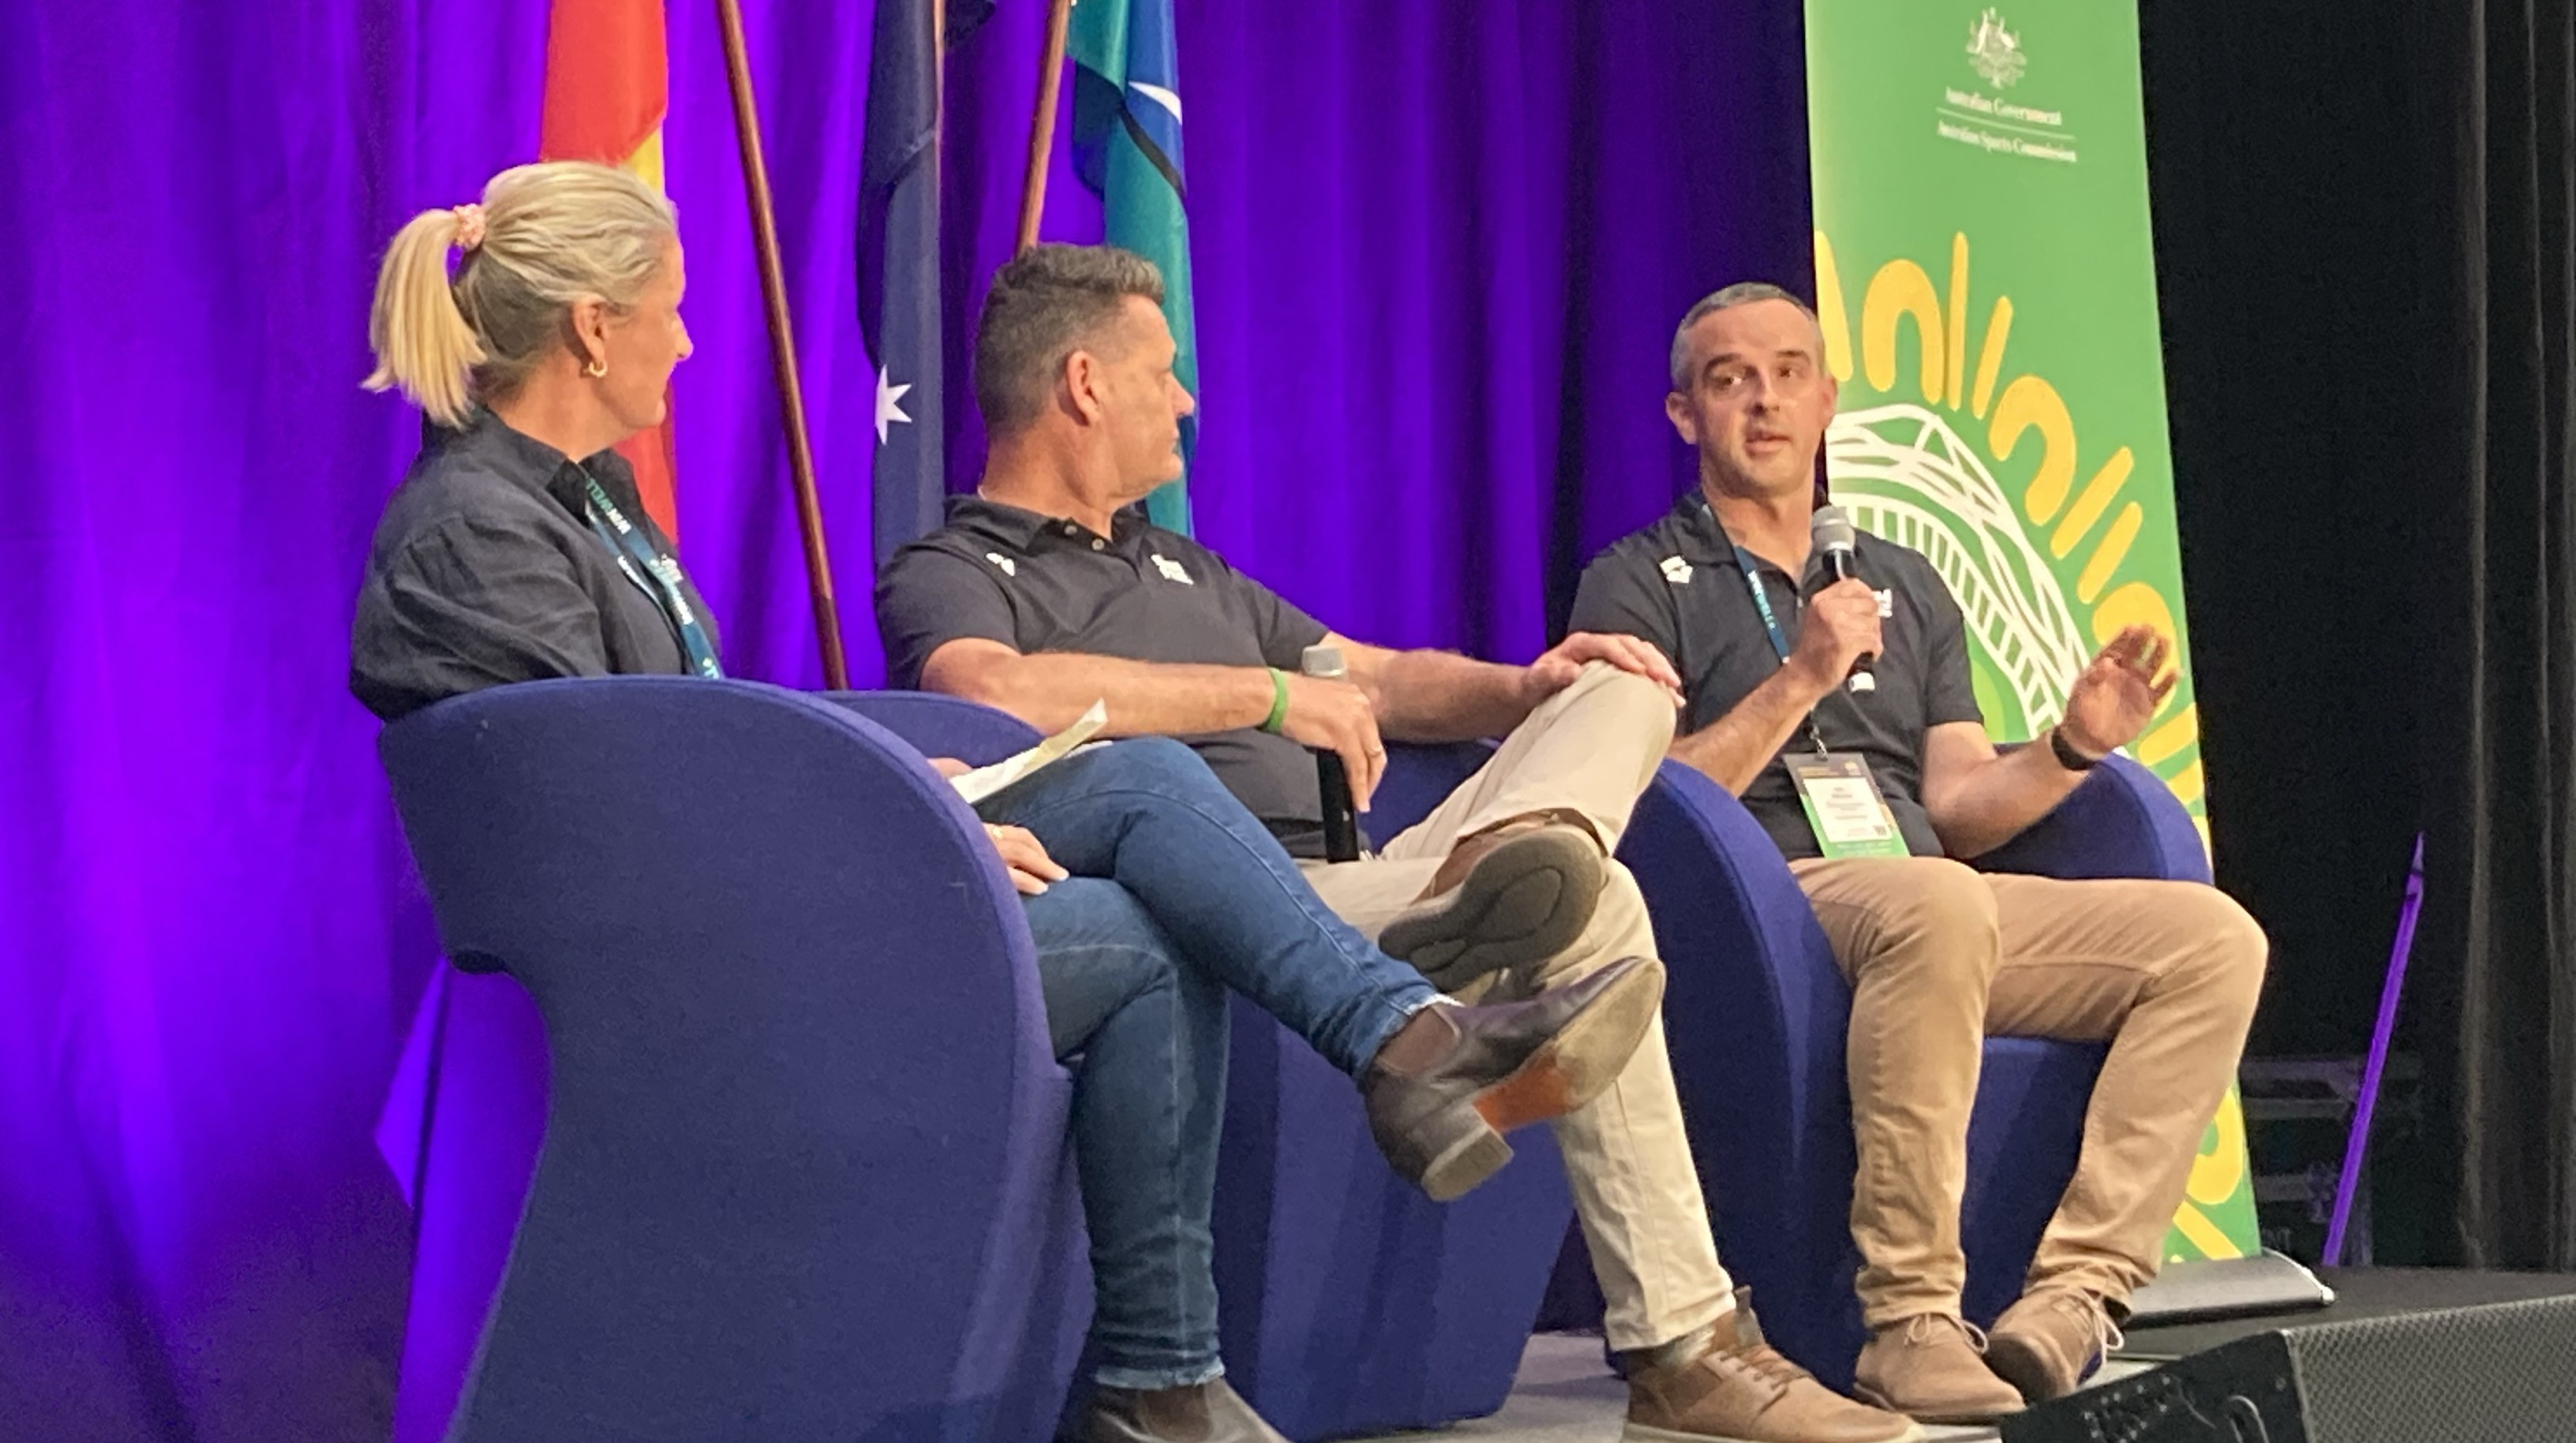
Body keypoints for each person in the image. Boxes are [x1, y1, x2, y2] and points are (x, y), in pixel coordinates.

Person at [347, 163, 1661, 1443]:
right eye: (672, 311)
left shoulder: (585, 506)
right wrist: (897, 841)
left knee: (1141, 821)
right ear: (592, 329)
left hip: (745, 907)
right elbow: (618, 804)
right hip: (699, 964)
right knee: (1150, 932)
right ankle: (1337, 1144)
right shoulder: (482, 529)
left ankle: (1205, 1325)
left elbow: (683, 758)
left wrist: (916, 798)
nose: (688, 346)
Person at [878, 244, 1919, 1443]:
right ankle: (1685, 1347)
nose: (1186, 400)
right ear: (1083, 384)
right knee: (1608, 911)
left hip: (1371, 881)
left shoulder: (1181, 562)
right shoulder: (955, 568)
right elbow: (995, 692)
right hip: (1229, 915)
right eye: (1163, 374)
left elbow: (1370, 676)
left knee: (1623, 692)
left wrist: (1526, 686)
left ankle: (1528, 852)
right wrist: (1260, 697)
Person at [1567, 282, 2271, 1423]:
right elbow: (1649, 801)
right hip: (1767, 905)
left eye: (1789, 372)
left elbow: (1954, 800)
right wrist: (1800, 675)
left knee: (2209, 941)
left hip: (1925, 898)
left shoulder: (1901, 578)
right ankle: (1907, 1317)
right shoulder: (1640, 580)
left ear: (1828, 399)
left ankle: (2078, 1296)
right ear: (1683, 414)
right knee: (1938, 902)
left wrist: (2068, 745)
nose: (1765, 401)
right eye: (1730, 378)